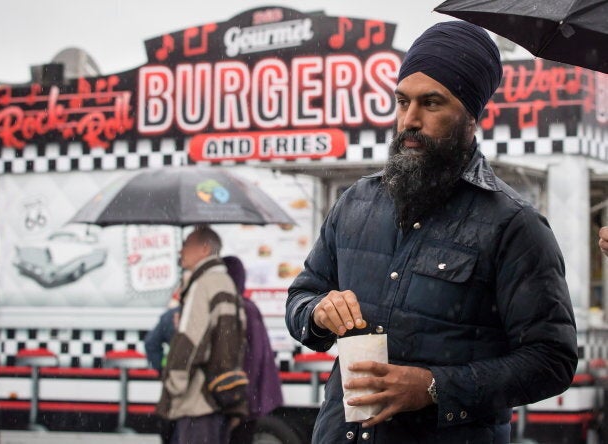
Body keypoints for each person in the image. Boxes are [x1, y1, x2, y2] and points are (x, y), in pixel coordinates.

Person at [286, 21, 578, 444]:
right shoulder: (355, 203)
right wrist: (316, 312)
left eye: (431, 103)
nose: (410, 120)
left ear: (472, 117)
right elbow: (301, 296)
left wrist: (433, 387)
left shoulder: (515, 225)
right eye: (402, 102)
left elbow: (552, 360)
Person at [155, 225, 247, 444]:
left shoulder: (202, 284)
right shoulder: (225, 283)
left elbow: (189, 340)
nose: (180, 251)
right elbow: (235, 341)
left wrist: (172, 384)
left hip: (197, 401)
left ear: (205, 248)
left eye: (186, 244)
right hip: (221, 396)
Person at [223, 255, 284, 444]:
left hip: (246, 401)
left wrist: (240, 405)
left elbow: (252, 359)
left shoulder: (243, 309)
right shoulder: (243, 307)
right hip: (248, 398)